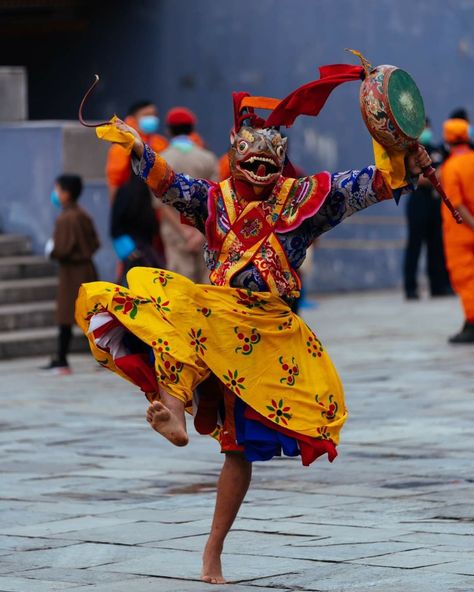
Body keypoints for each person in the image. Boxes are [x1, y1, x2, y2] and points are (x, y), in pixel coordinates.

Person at [76, 66, 430, 583]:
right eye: (251, 159)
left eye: (270, 160)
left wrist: (406, 159)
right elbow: (168, 185)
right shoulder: (214, 199)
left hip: (267, 334)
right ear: (236, 157)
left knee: (237, 451)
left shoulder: (308, 199)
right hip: (217, 320)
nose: (260, 167)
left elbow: (371, 184)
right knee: (173, 304)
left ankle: (212, 549)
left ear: (281, 161)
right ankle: (172, 409)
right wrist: (137, 147)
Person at [42, 175, 100, 374]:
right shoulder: (83, 214)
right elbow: (95, 243)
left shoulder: (66, 218)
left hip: (71, 273)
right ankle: (102, 356)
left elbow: (62, 249)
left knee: (66, 316)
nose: (55, 194)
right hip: (87, 269)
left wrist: (52, 251)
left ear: (66, 194)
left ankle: (62, 358)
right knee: (90, 315)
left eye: (57, 190)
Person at [158, 107, 219, 283]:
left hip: (175, 233)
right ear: (193, 129)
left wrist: (184, 232)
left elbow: (160, 205)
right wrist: (199, 233)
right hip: (205, 234)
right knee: (207, 288)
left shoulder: (161, 160)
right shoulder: (207, 158)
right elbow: (217, 199)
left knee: (179, 287)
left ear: (168, 130)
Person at [403, 118, 451, 299]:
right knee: (414, 246)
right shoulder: (411, 152)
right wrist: (435, 176)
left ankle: (438, 286)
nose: (427, 131)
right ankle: (410, 288)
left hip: (434, 205)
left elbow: (443, 173)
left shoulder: (436, 150)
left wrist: (436, 176)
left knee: (436, 246)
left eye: (428, 128)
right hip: (418, 204)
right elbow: (417, 177)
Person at [441, 118, 474, 343]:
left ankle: (472, 323)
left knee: (466, 279)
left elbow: (457, 204)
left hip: (462, 233)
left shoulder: (451, 167)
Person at [106, 100, 168, 202]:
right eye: (147, 115)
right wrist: (115, 206)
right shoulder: (124, 142)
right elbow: (115, 179)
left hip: (159, 200)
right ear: (133, 119)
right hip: (133, 201)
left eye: (154, 115)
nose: (152, 118)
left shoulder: (160, 142)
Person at [111, 172, 165, 285]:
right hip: (145, 249)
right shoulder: (149, 192)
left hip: (129, 248)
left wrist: (127, 249)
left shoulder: (123, 191)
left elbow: (115, 224)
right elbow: (152, 224)